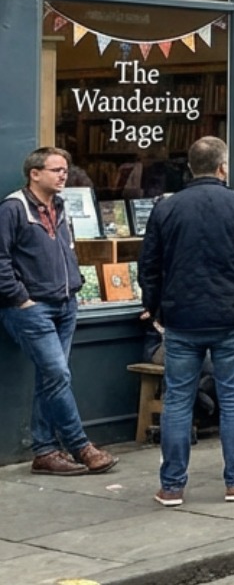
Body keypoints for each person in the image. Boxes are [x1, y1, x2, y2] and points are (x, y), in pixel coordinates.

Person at [141, 136, 234, 506]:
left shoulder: (166, 208)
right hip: (231, 316)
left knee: (177, 401)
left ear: (189, 168)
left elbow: (149, 265)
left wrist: (154, 307)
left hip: (181, 318)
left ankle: (171, 486)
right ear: (222, 168)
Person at [0, 148, 118, 478]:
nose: (63, 175)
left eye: (65, 169)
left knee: (51, 377)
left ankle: (44, 450)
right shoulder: (14, 209)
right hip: (31, 309)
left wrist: (74, 286)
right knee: (58, 374)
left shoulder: (60, 206)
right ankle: (81, 446)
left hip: (66, 304)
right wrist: (21, 298)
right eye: (55, 170)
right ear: (34, 174)